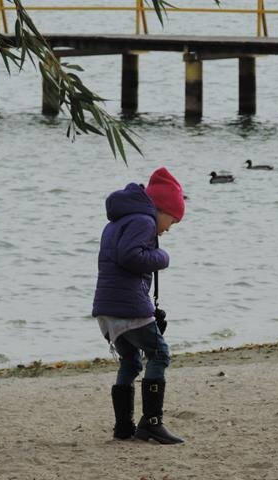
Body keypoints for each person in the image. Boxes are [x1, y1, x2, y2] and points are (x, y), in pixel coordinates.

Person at [92, 166, 185, 445]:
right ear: (161, 209)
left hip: (107, 307)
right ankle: (152, 423)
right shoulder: (143, 221)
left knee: (131, 361)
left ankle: (123, 427)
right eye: (172, 221)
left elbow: (122, 261)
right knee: (159, 353)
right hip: (128, 306)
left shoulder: (118, 221)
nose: (168, 229)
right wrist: (162, 257)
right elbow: (130, 256)